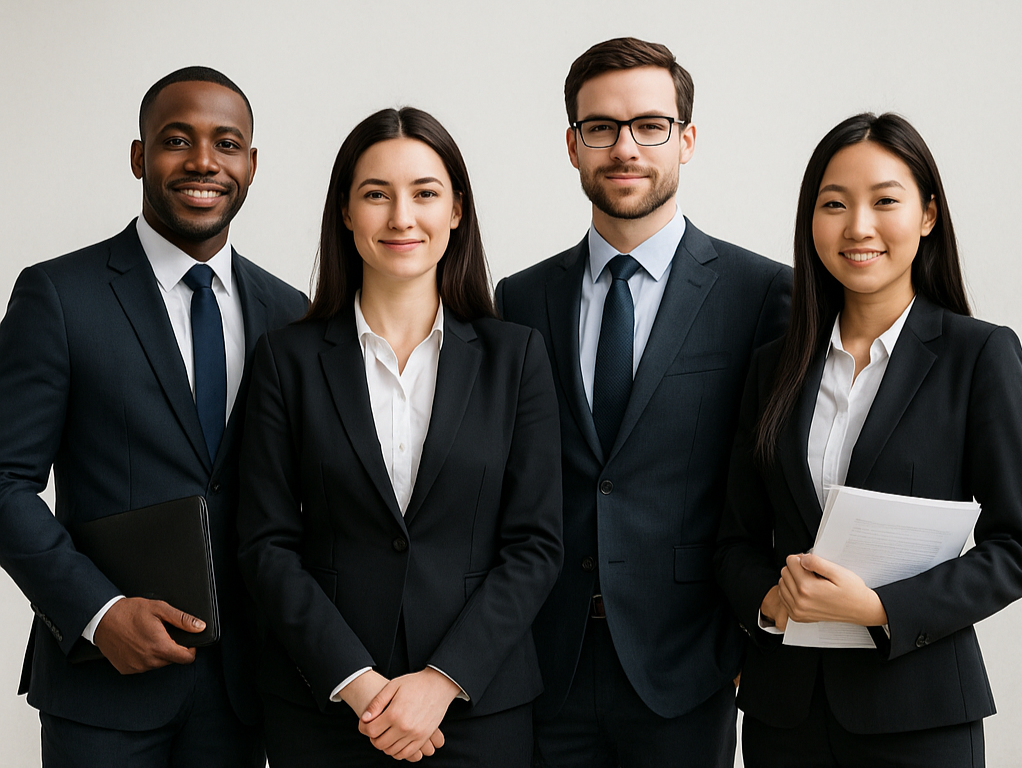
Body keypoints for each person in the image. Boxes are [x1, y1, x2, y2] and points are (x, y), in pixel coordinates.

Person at [236, 106, 563, 767]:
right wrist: (356, 684)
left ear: (457, 211)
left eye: (425, 193)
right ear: (347, 214)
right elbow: (265, 544)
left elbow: (535, 545)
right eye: (375, 195)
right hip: (324, 711)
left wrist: (442, 682)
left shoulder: (516, 357)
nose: (401, 218)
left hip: (477, 711)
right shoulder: (286, 359)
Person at [495, 37, 791, 767]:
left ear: (686, 140)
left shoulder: (761, 295)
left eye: (650, 125)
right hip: (546, 664)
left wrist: (750, 639)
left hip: (687, 664)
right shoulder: (522, 298)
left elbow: (770, 483)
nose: (625, 147)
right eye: (601, 127)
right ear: (572, 146)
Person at [0, 67, 307, 766]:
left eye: (226, 143)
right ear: (139, 156)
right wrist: (98, 613)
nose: (204, 161)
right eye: (177, 140)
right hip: (102, 690)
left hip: (244, 695)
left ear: (251, 165)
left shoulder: (289, 315)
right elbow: (4, 480)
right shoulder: (58, 295)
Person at [714, 112, 1022, 767]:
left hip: (921, 718)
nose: (858, 226)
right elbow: (735, 537)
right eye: (834, 204)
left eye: (885, 201)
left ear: (928, 216)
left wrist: (883, 607)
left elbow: (1016, 544)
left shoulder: (980, 355)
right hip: (784, 718)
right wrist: (768, 600)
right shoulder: (775, 365)